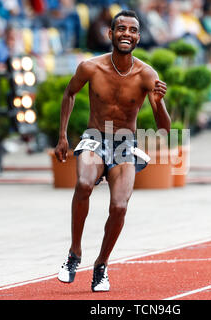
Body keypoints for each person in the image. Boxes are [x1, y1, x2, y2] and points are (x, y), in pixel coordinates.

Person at [55, 10, 170, 292]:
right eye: (121, 29)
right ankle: (74, 253)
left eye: (132, 30)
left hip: (125, 143)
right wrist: (62, 137)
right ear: (110, 34)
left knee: (119, 206)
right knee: (83, 184)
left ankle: (101, 265)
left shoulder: (147, 74)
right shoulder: (90, 67)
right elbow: (69, 93)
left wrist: (159, 102)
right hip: (95, 136)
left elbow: (164, 127)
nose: (126, 34)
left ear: (139, 37)